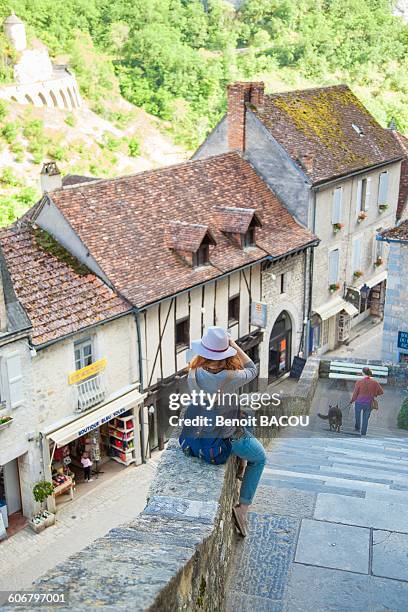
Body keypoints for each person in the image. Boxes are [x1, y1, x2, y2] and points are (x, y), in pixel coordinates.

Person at [188, 326, 266, 537]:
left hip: (203, 426)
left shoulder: (194, 373)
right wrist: (234, 345)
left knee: (245, 412)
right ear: (224, 355)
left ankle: (240, 463)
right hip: (227, 436)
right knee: (260, 459)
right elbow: (252, 368)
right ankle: (243, 508)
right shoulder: (230, 376)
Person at [350, 367, 384, 436]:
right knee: (365, 419)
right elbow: (381, 392)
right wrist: (374, 394)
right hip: (368, 403)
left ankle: (357, 428)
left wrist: (352, 400)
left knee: (357, 416)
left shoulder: (359, 382)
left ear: (363, 373)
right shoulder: (375, 383)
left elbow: (355, 393)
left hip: (359, 402)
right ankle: (363, 432)